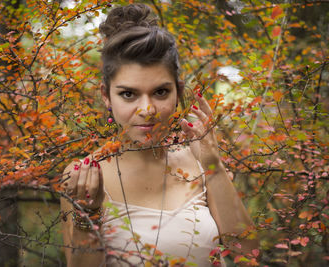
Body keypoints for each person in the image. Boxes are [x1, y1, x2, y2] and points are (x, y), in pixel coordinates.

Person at [60, 3, 258, 266]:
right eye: (128, 94)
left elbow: (247, 253)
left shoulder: (201, 161)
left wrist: (214, 166)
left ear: (178, 92)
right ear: (106, 96)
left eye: (160, 92)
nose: (147, 110)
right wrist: (88, 214)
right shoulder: (83, 176)